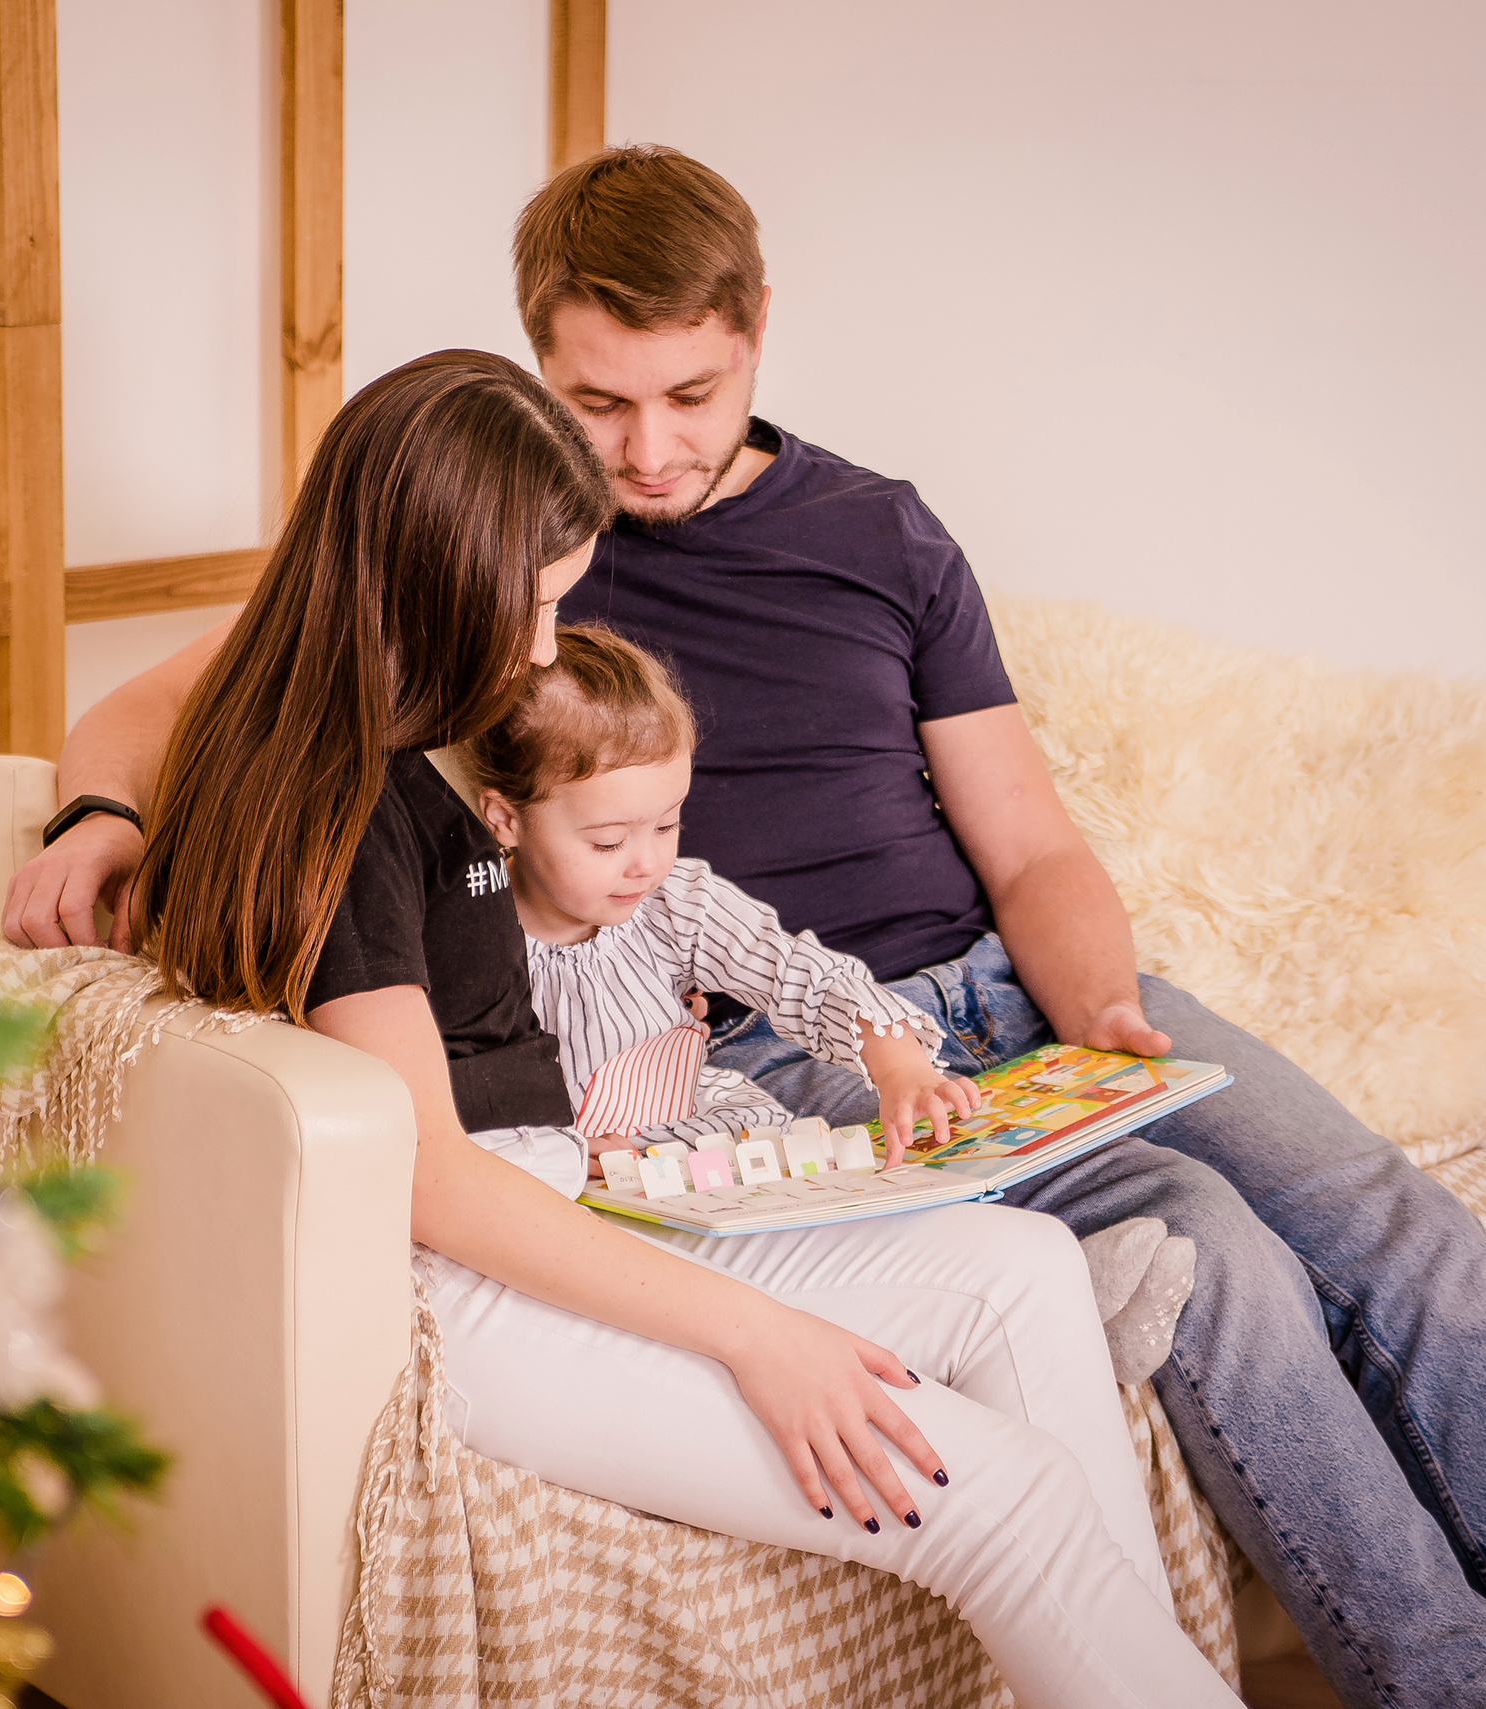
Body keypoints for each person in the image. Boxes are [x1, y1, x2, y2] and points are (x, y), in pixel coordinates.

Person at [9, 151, 1486, 1709]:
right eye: (599, 405)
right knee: (1224, 1270)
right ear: (534, 378)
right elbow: (217, 714)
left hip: (997, 997)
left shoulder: (874, 532)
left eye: (694, 393)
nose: (649, 453)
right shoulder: (485, 576)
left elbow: (1032, 838)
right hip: (772, 1036)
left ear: (760, 333)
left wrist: (1100, 1011)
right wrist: (101, 812)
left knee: (1400, 1234)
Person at [130, 345, 1239, 1704]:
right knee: (997, 1498)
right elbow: (428, 1178)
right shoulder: (343, 801)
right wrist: (753, 1335)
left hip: (561, 1209)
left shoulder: (399, 749)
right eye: (532, 610)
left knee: (1023, 1270)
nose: (542, 650)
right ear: (439, 578)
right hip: (478, 1290)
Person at [468, 621, 971, 1161]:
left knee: (778, 1132)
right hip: (542, 1160)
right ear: (505, 820)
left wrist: (901, 1067)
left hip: (681, 1132)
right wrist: (558, 1154)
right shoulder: (469, 936)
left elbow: (801, 976)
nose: (647, 864)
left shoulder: (675, 904)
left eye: (666, 826)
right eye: (609, 842)